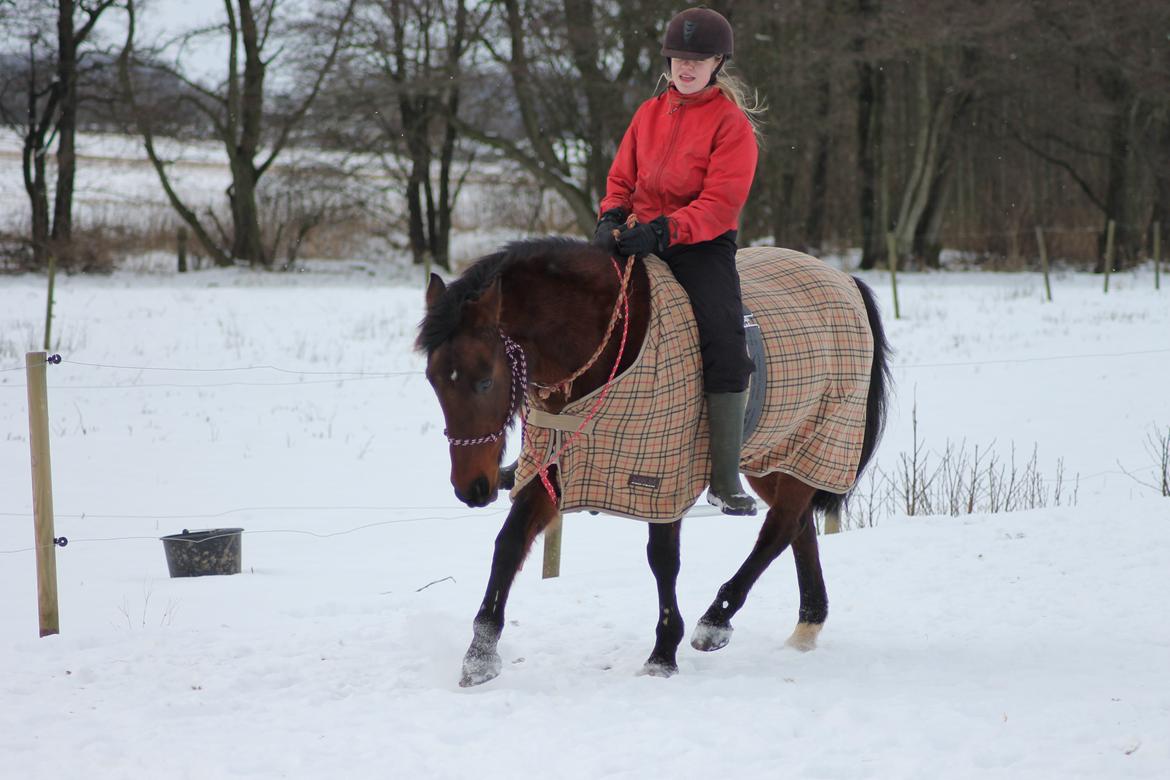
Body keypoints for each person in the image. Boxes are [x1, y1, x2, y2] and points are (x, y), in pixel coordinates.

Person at [593, 6, 762, 516]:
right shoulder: (648, 113)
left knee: (724, 338)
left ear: (717, 62)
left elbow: (720, 203)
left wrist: (664, 231)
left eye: (698, 59)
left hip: (700, 245)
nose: (686, 67)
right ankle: (551, 452)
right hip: (636, 233)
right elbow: (622, 178)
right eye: (678, 58)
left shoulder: (732, 125)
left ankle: (726, 477)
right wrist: (611, 217)